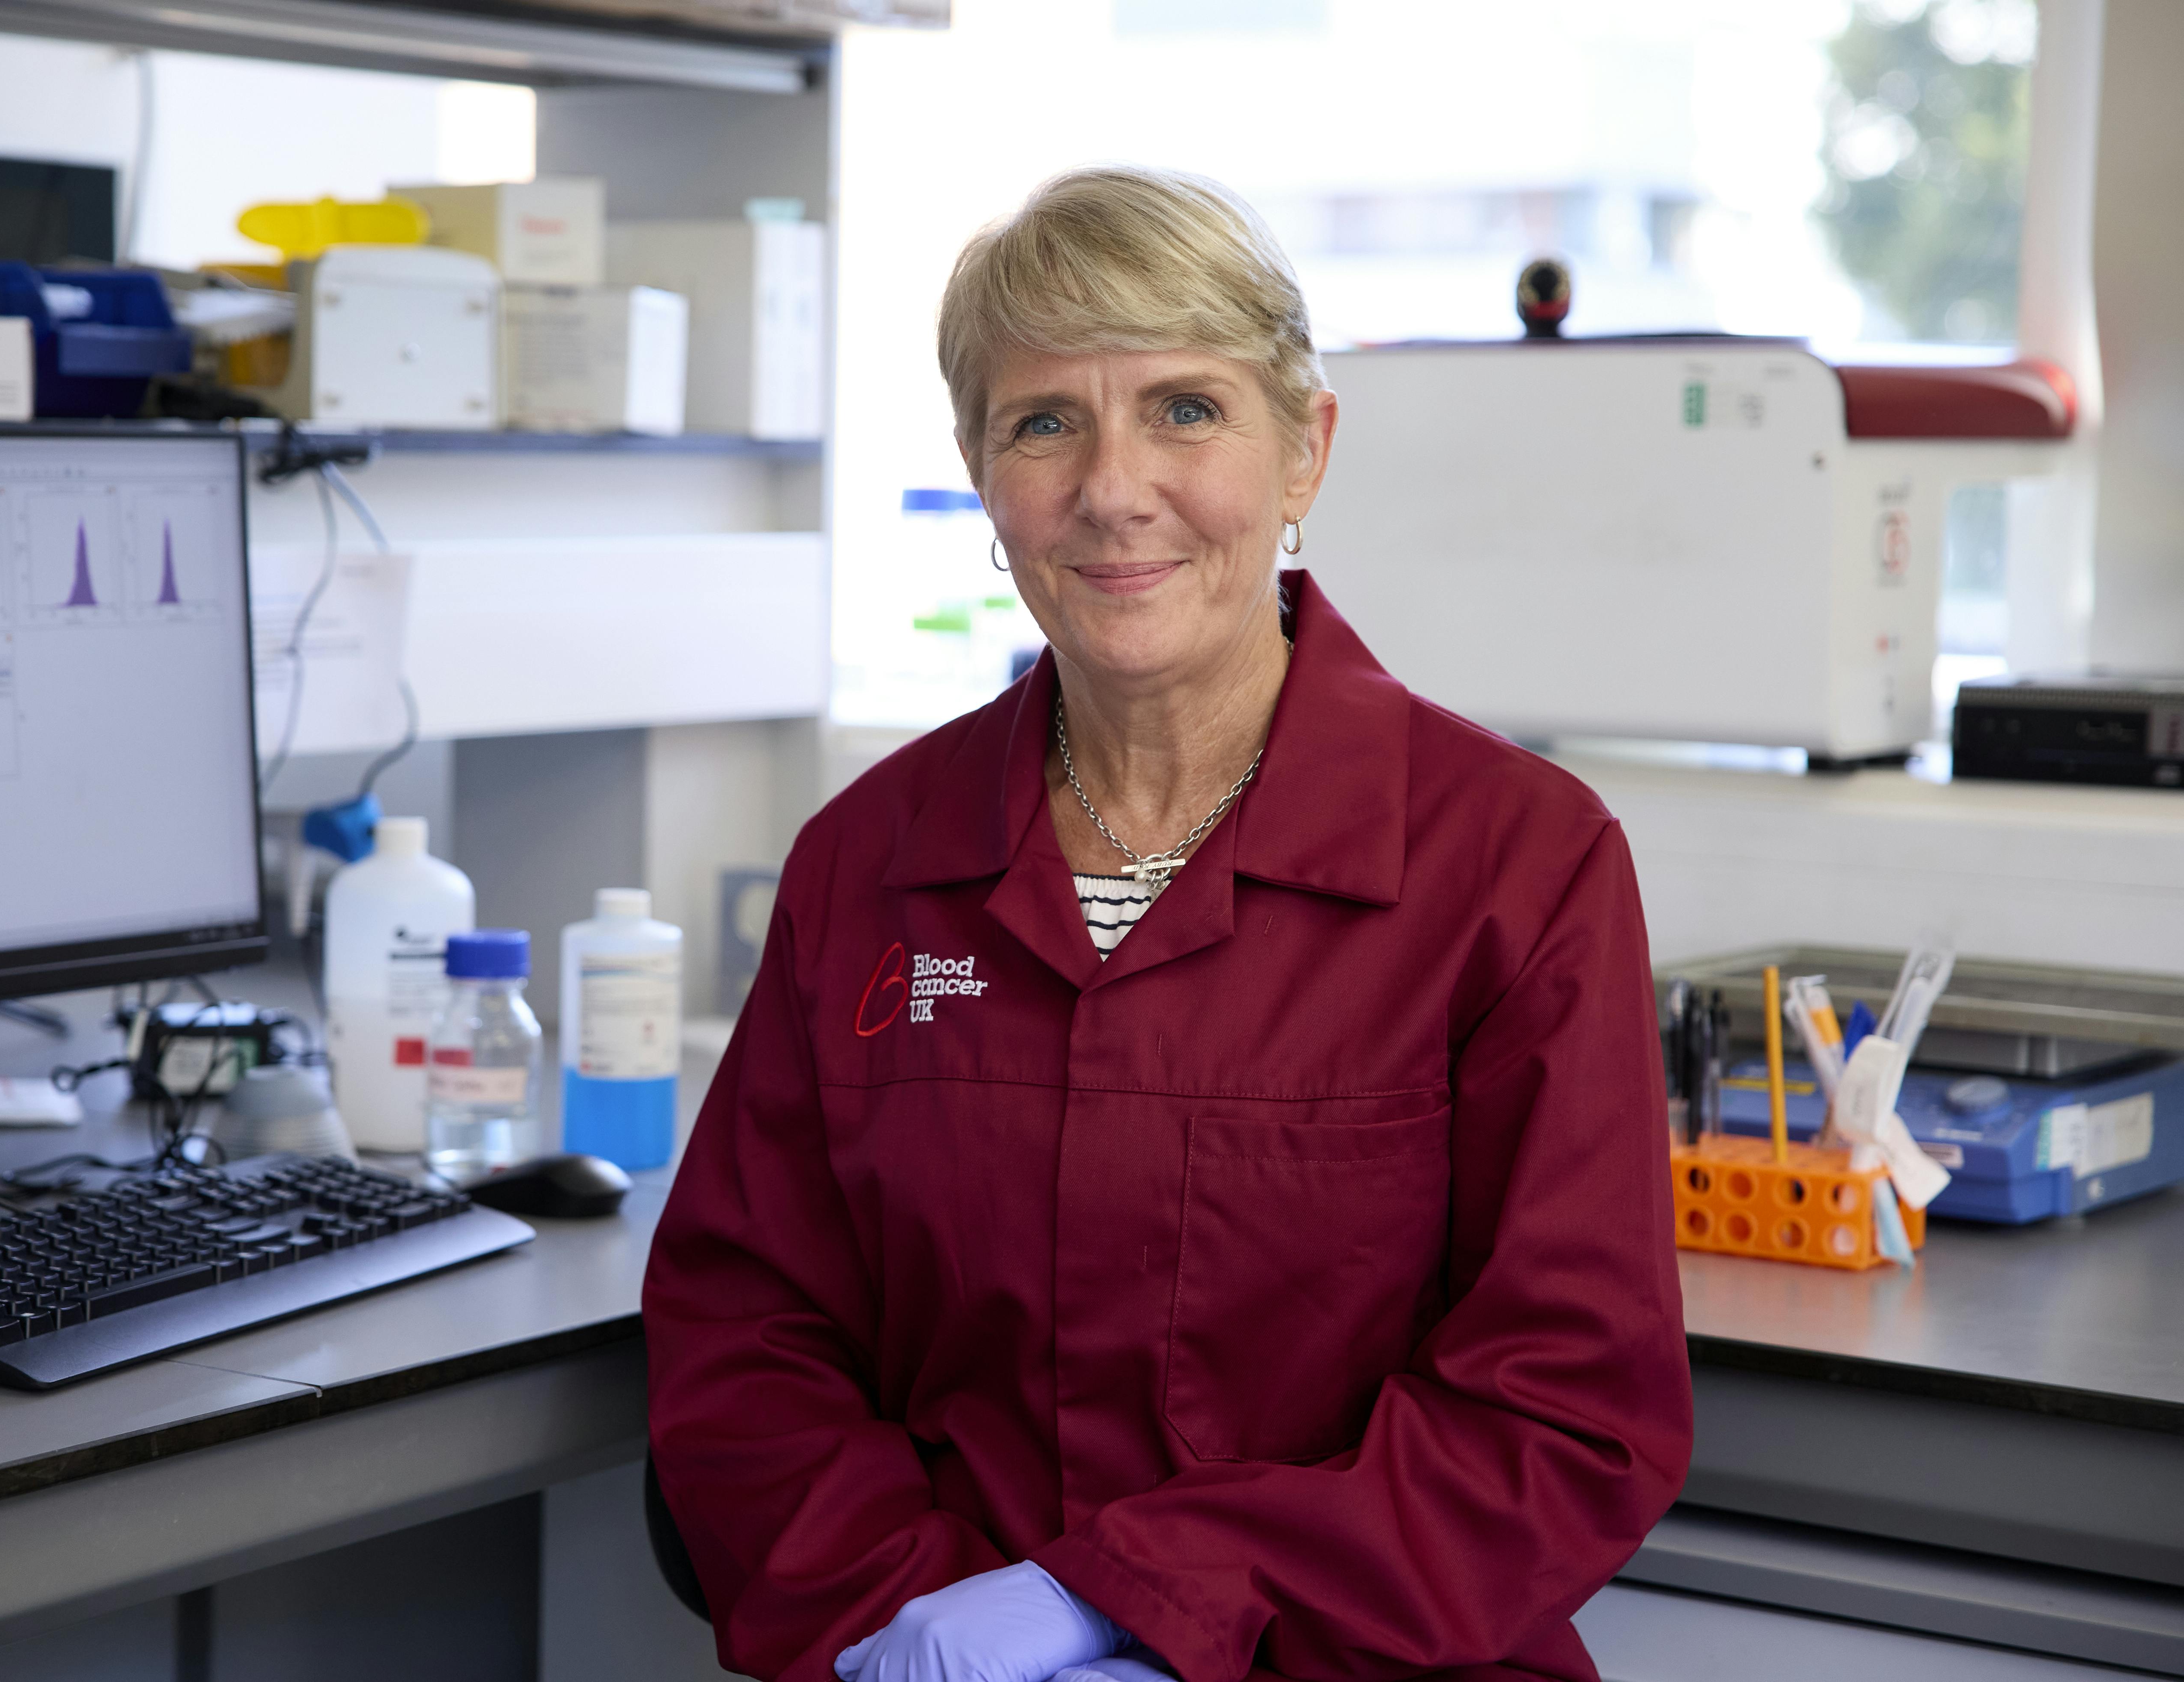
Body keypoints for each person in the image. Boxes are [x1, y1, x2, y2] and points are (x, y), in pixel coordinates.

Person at [642, 165, 1691, 1682]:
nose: (1112, 488)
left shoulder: (1512, 866)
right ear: (981, 473)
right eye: (1044, 421)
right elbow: (747, 1339)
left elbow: (1564, 1411)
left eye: (1186, 411)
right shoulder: (868, 863)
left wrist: (1119, 1606)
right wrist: (928, 1623)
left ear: (1305, 452)